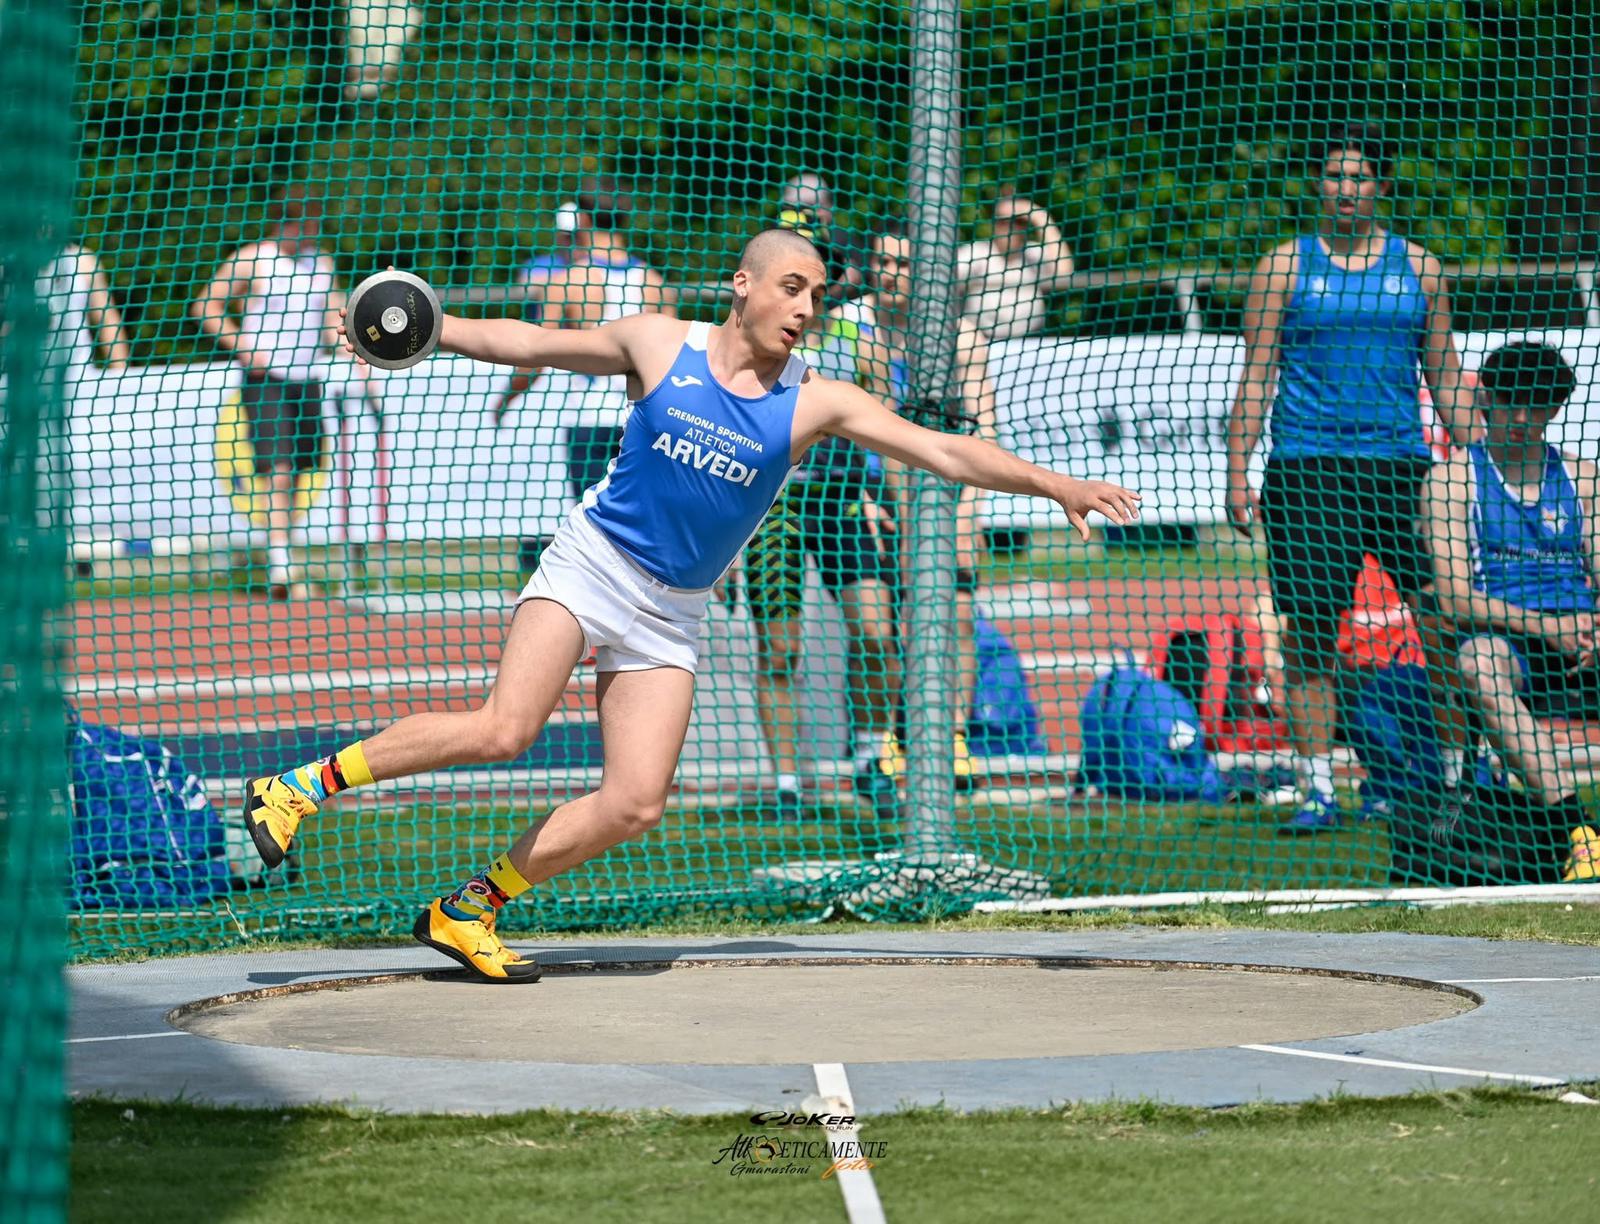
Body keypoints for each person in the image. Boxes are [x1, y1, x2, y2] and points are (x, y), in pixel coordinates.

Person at [240, 227, 1140, 982]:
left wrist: (1053, 482)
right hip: (592, 567)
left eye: (817, 295)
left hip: (672, 611)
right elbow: (531, 344)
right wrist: (428, 327)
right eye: (791, 288)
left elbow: (943, 450)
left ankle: (467, 909)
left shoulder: (815, 401)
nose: (805, 308)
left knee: (635, 803)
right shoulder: (658, 345)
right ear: (743, 285)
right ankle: (294, 790)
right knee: (505, 730)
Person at [1224, 123, 1478, 834]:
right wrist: (1237, 470)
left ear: (1381, 185)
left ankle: (1459, 780)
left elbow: (1446, 376)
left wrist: (1479, 460)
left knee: (1444, 618)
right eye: (1334, 175)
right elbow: (1256, 376)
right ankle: (1318, 791)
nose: (1345, 188)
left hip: (1402, 469)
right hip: (1307, 470)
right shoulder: (1283, 265)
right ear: (1318, 183)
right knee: (1310, 633)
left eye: (1359, 176)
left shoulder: (1420, 267)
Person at [742, 222, 991, 816]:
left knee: (876, 632)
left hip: (847, 498)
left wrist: (902, 512)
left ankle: (869, 758)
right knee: (779, 648)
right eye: (793, 282)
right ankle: (787, 785)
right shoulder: (758, 337)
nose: (807, 295)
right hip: (773, 506)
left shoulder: (860, 336)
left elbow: (887, 436)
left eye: (819, 281)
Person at [1420, 341, 1599, 882]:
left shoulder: (1583, 477)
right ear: (1486, 400)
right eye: (1511, 402)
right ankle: (1579, 831)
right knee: (1476, 663)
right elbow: (1454, 598)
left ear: (1556, 408)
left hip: (1582, 637)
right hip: (1509, 639)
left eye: (1537, 405)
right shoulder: (1452, 480)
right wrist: (1547, 627)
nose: (1522, 418)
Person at [855, 224, 999, 792]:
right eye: (884, 262)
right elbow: (860, 428)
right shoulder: (859, 331)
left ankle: (953, 739)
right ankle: (895, 737)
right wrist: (871, 499)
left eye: (905, 264)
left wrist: (968, 512)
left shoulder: (961, 338)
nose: (892, 274)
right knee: (883, 626)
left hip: (947, 490)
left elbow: (985, 428)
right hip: (876, 495)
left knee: (957, 616)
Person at [192, 187, 351, 599]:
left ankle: (285, 552)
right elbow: (206, 305)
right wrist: (241, 344)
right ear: (286, 222)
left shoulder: (321, 262)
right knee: (277, 469)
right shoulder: (253, 258)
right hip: (266, 379)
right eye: (305, 224)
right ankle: (280, 566)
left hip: (307, 379)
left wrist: (350, 349)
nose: (311, 232)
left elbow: (332, 315)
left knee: (298, 470)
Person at [491, 180, 675, 503]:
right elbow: (673, 366)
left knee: (592, 521)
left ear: (584, 219)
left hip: (590, 421)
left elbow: (533, 358)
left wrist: (506, 399)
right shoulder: (656, 283)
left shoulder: (568, 281)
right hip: (642, 421)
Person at [955, 190, 1076, 340]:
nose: (1010, 228)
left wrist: (1040, 217)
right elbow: (945, 279)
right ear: (994, 224)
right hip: (982, 341)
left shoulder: (1033, 254)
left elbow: (1065, 273)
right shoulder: (977, 253)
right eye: (1004, 221)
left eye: (1018, 221)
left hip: (1031, 343)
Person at [772, 172, 869, 305]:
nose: (801, 214)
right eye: (793, 208)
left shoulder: (841, 239)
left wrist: (845, 283)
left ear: (827, 207)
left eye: (808, 207)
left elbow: (862, 277)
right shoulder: (778, 236)